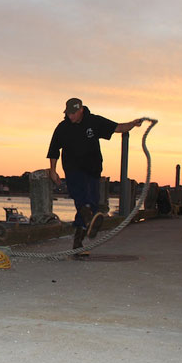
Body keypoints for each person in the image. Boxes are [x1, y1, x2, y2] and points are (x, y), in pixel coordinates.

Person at [47, 97, 144, 251]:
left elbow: (118, 127)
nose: (70, 116)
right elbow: (53, 149)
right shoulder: (63, 127)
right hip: (73, 169)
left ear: (81, 110)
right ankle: (88, 220)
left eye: (73, 113)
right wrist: (53, 170)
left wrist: (132, 124)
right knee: (79, 196)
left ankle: (79, 239)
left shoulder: (94, 121)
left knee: (92, 202)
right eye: (68, 113)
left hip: (92, 169)